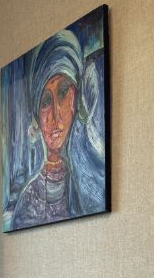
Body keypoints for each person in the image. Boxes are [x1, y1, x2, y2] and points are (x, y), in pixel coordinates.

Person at [10, 28, 105, 230]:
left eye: (62, 92)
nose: (55, 114)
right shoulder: (27, 203)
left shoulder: (95, 177)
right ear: (37, 116)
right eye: (45, 102)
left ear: (76, 98)